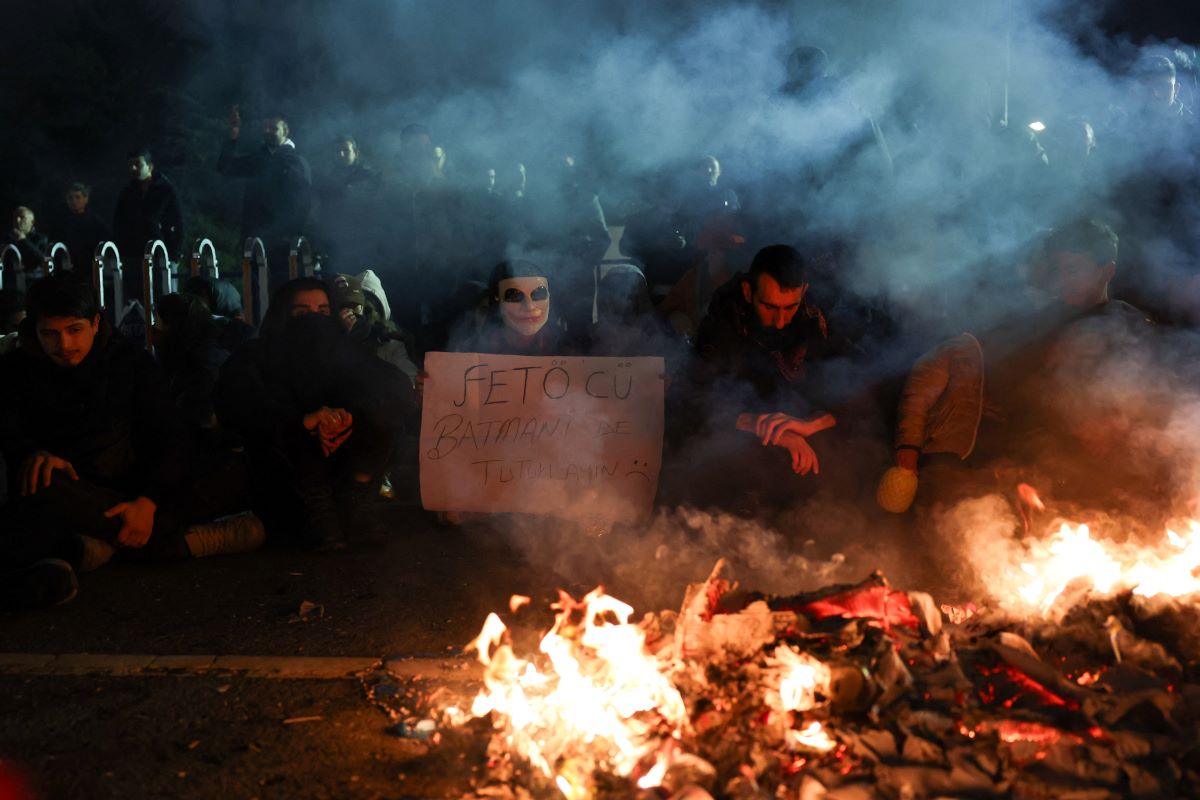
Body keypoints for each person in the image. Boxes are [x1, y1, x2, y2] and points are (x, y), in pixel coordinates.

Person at [0, 277, 257, 611]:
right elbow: (7, 430)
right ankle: (178, 543)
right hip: (71, 490)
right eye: (50, 333)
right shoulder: (14, 371)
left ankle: (99, 544)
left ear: (95, 323)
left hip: (134, 486)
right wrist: (33, 452)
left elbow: (168, 434)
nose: (64, 345)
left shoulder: (130, 363)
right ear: (33, 330)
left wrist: (148, 502)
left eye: (74, 330)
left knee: (232, 469)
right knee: (40, 484)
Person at [891, 220, 1154, 514]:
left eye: (1074, 270)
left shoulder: (1129, 326)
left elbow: (1151, 408)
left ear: (1108, 271)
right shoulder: (1039, 326)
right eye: (1061, 269)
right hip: (1030, 472)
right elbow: (1019, 405)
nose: (1064, 279)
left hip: (1104, 480)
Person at [213, 278, 412, 550]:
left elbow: (395, 387)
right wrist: (304, 421)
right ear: (284, 316)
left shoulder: (347, 353)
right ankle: (315, 514)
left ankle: (354, 503)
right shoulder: (257, 354)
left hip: (343, 466)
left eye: (323, 312)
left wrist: (350, 415)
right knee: (285, 425)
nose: (314, 322)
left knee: (385, 414)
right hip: (284, 479)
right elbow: (237, 400)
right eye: (302, 314)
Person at [663, 245, 839, 511]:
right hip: (741, 439)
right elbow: (695, 398)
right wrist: (761, 426)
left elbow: (857, 386)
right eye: (770, 307)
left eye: (790, 307)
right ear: (748, 292)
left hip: (801, 425)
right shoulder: (725, 316)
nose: (780, 321)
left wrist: (809, 424)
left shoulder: (818, 315)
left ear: (803, 291)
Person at [216, 107, 312, 284]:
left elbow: (303, 202)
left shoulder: (296, 162)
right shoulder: (259, 158)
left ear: (286, 131)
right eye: (266, 127)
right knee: (255, 290)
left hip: (282, 241)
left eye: (274, 128)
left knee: (280, 289)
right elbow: (225, 167)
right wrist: (233, 136)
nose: (267, 131)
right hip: (254, 236)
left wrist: (290, 234)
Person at [454, 260, 575, 356]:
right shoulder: (476, 347)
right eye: (514, 296)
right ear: (497, 301)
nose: (529, 307)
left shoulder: (563, 344)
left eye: (538, 294)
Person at [112, 148, 184, 268]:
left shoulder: (165, 190)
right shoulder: (127, 193)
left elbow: (178, 222)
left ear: (150, 167)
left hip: (161, 253)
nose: (133, 168)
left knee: (163, 286)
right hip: (132, 255)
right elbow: (118, 223)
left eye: (138, 164)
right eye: (130, 165)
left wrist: (175, 252)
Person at [53, 182, 110, 271]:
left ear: (86, 199)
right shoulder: (61, 223)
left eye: (77, 197)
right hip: (67, 268)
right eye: (70, 198)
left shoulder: (95, 222)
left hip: (91, 267)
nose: (74, 201)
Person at [6, 206, 49, 273]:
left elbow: (42, 259)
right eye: (15, 217)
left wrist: (23, 240)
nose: (17, 220)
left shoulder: (40, 238)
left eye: (22, 217)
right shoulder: (8, 238)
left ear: (32, 222)